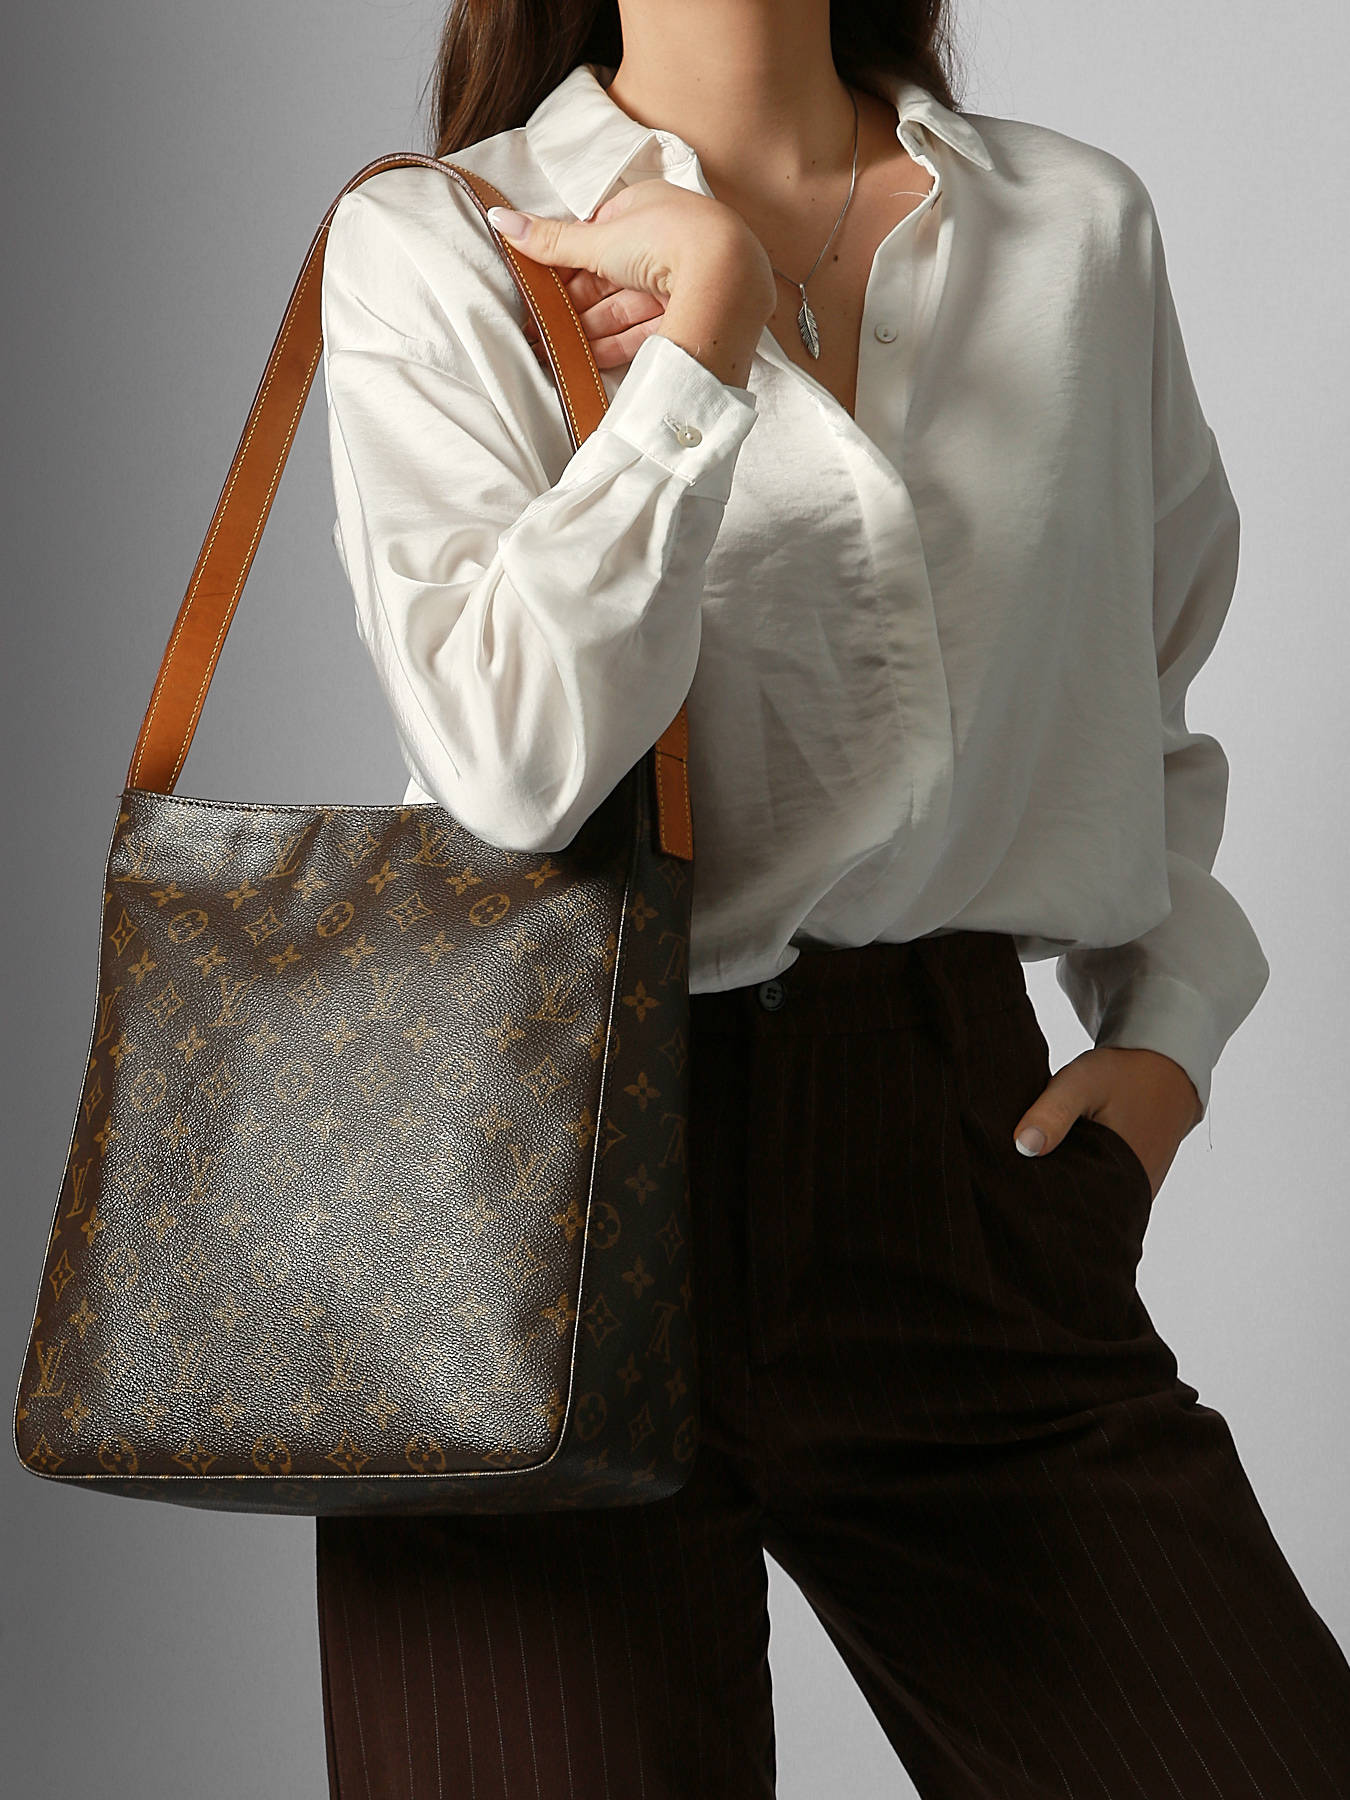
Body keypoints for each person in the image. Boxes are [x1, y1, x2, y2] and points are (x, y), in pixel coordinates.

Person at [313, 2, 1350, 1794]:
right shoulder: (441, 241)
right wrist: (695, 354)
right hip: (533, 1211)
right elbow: (511, 765)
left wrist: (1167, 1035)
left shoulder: (1070, 229)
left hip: (951, 1178)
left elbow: (1140, 680)